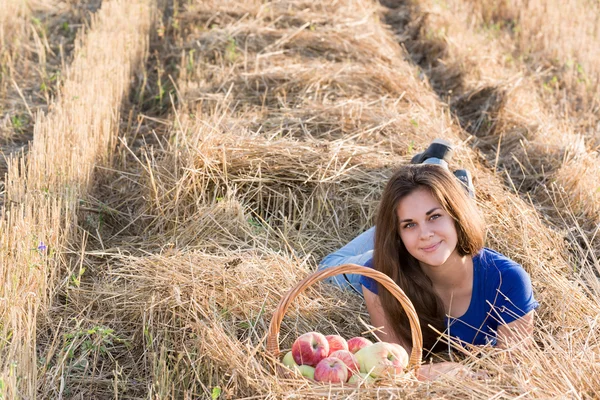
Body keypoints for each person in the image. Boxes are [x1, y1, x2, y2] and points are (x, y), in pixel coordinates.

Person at [318, 145, 538, 379]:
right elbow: (398, 369)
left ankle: (443, 184)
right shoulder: (380, 274)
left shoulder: (508, 281)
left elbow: (513, 373)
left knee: (425, 232)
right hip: (398, 257)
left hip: (422, 248)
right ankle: (424, 193)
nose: (425, 233)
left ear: (456, 216)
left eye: (435, 216)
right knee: (329, 265)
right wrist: (435, 372)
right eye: (410, 224)